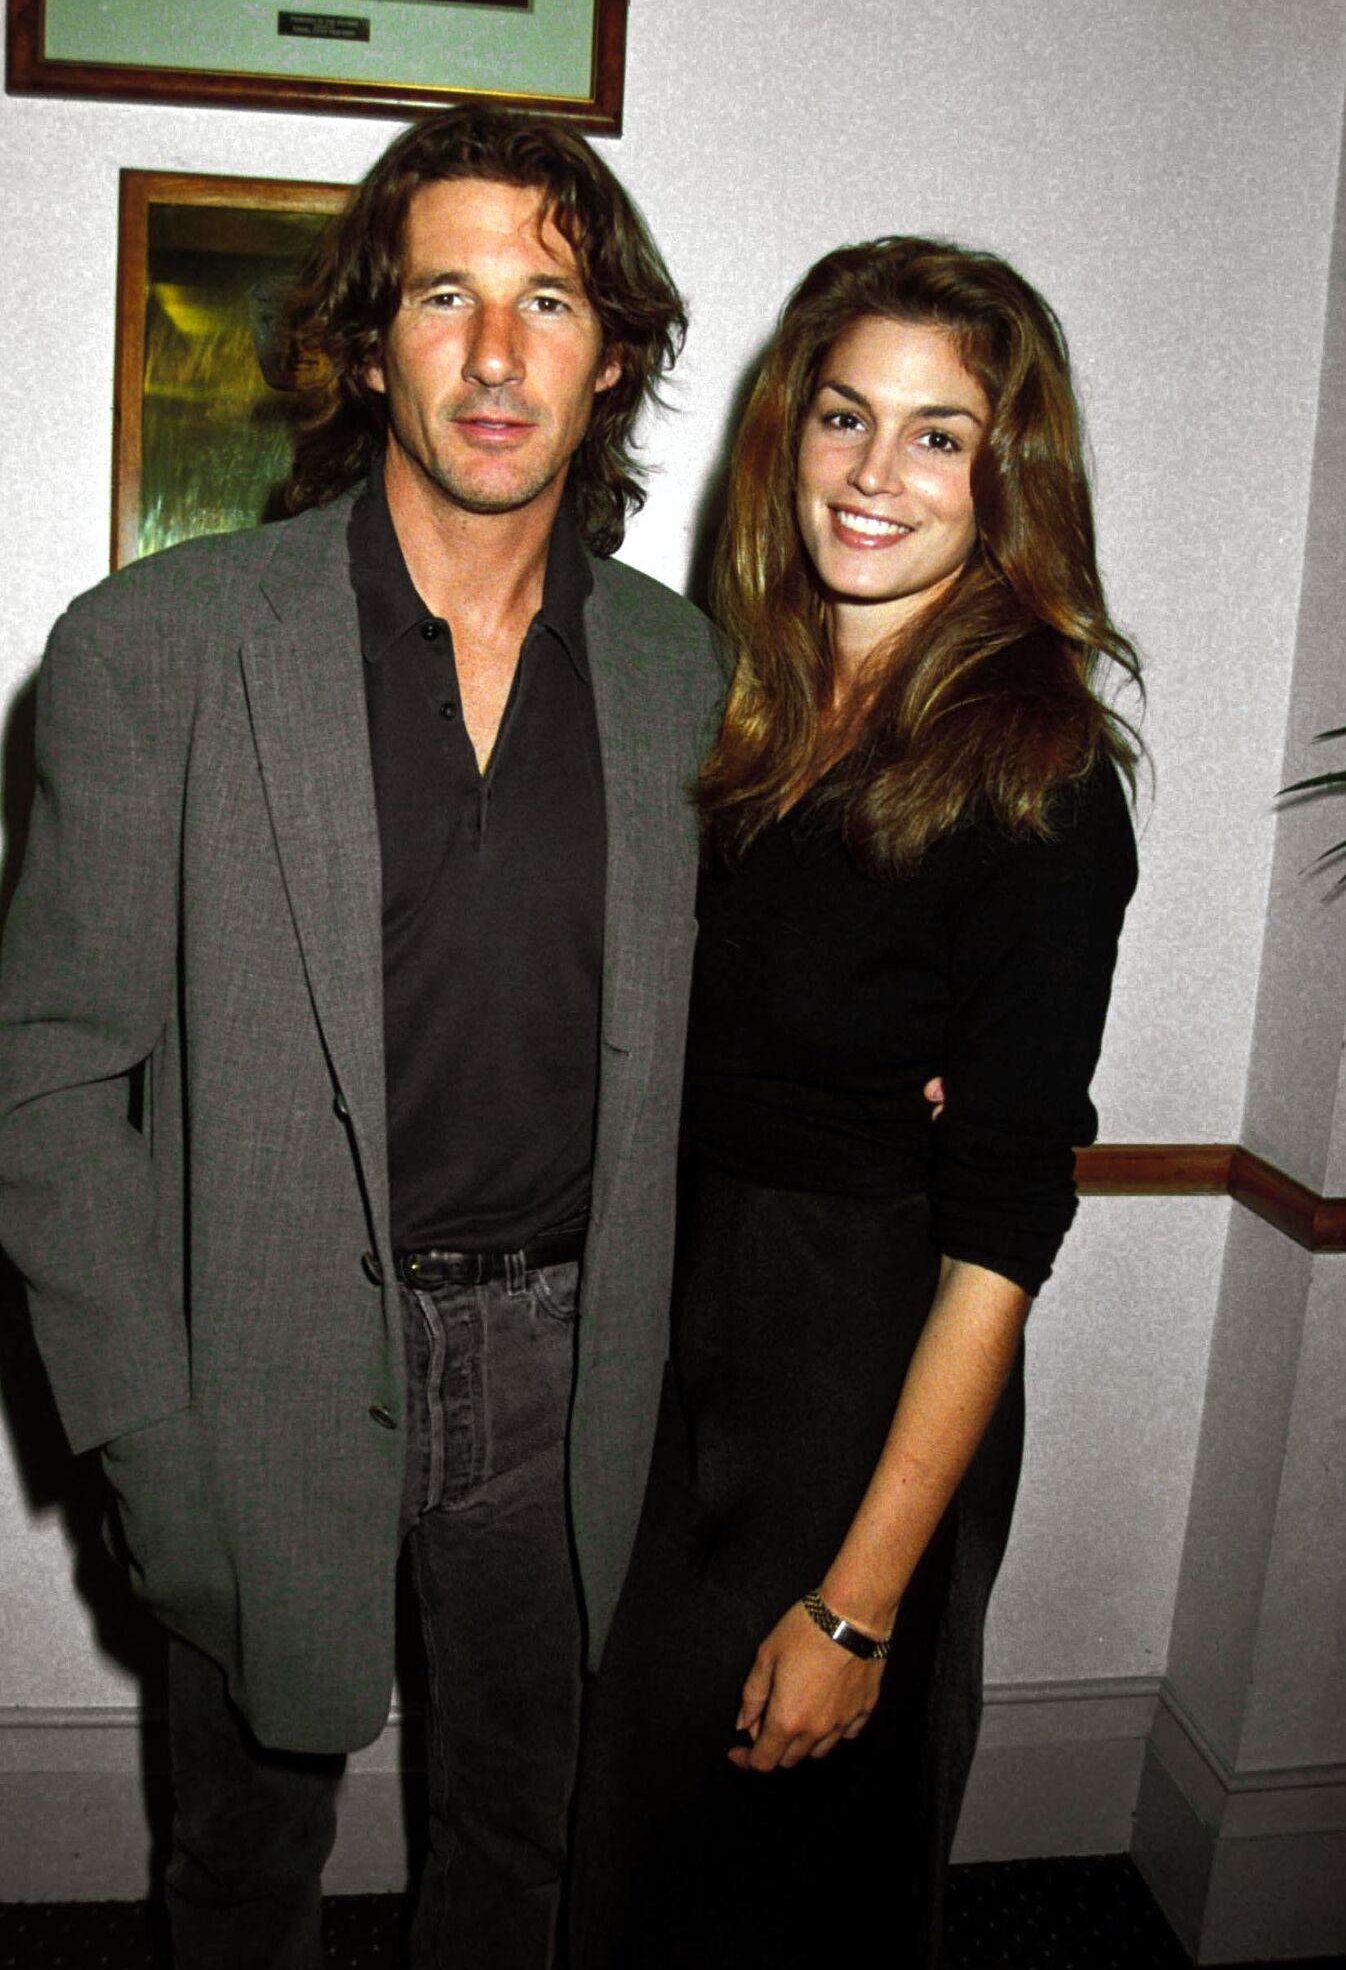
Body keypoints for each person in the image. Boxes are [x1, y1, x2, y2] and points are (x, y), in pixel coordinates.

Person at [0, 104, 721, 1970]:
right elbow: (49, 1079)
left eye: (549, 299)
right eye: (446, 296)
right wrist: (144, 1437)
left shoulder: (685, 678)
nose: (496, 355)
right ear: (369, 338)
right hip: (261, 1371)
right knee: (238, 1869)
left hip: (574, 1382)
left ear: (613, 351)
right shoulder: (153, 649)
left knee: (528, 1849)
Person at [569, 236, 1141, 1968]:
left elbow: (997, 1237)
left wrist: (859, 1599)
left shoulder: (1038, 776)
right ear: (785, 436)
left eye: (938, 435)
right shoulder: (747, 710)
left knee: (789, 1864)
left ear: (1006, 480)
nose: (875, 475)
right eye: (843, 417)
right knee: (645, 1843)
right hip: (691, 1339)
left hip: (860, 1374)